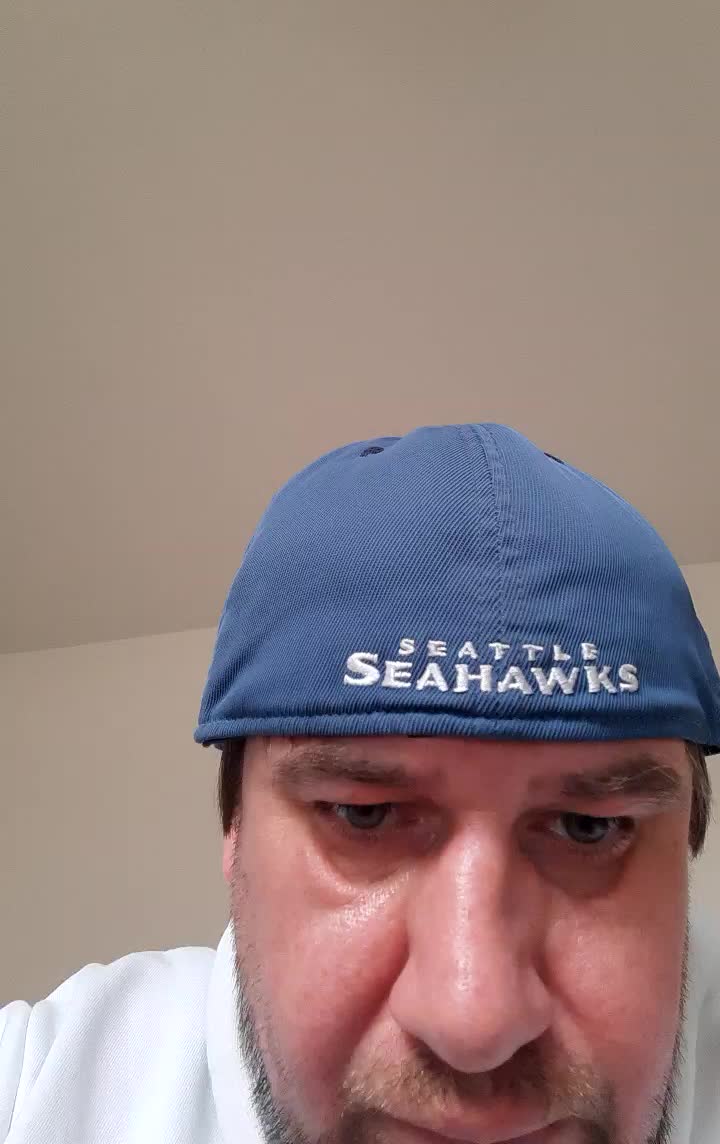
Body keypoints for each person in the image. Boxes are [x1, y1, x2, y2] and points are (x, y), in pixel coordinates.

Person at [2, 423, 719, 1144]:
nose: (476, 1024)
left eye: (589, 827)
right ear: (235, 834)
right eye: (364, 815)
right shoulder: (38, 1084)